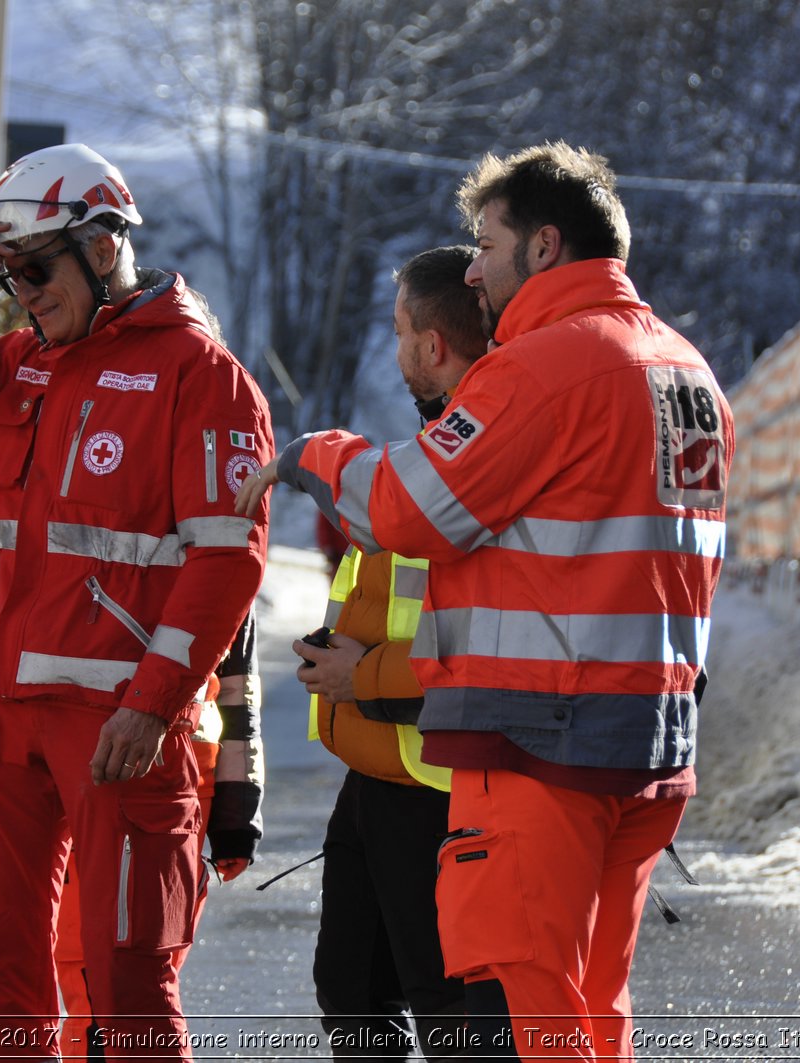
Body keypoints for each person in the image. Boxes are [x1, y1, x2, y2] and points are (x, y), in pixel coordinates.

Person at [237, 143, 733, 1061]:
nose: (473, 266)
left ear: (544, 246)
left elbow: (409, 506)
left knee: (524, 1005)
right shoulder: (687, 372)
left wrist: (313, 454)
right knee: (591, 1005)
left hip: (543, 743)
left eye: (486, 241)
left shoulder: (547, 363)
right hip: (648, 738)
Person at [0, 143, 273, 1060]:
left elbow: (227, 565)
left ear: (101, 248)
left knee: (129, 979)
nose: (25, 290)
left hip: (122, 726)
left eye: (36, 267)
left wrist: (155, 702)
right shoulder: (19, 360)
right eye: (10, 272)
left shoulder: (202, 375)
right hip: (2, 716)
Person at [289, 247, 486, 1061]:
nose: (396, 347)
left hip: (440, 785)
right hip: (379, 771)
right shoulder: (434, 450)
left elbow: (488, 641)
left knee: (453, 1012)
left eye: (401, 330)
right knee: (351, 988)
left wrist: (359, 674)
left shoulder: (481, 459)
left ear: (432, 346)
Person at [52, 612, 263, 1060]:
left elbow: (238, 689)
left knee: (140, 970)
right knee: (96, 973)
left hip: (181, 784)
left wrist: (238, 811)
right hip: (91, 772)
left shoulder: (216, 557)